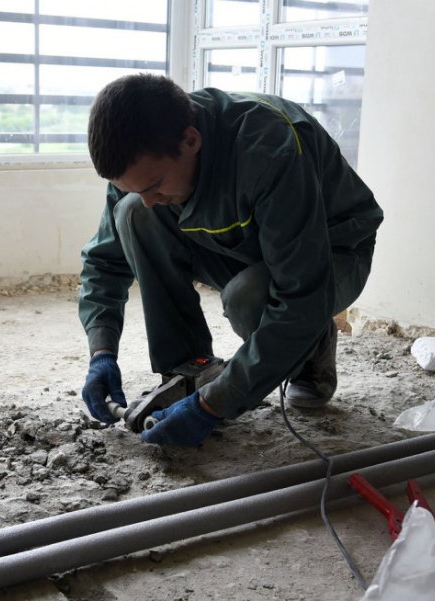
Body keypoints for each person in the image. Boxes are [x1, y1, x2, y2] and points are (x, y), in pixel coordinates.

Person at [78, 74, 383, 447]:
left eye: (154, 186)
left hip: (332, 251)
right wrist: (102, 352)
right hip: (244, 245)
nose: (149, 197)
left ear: (191, 140)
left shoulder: (269, 149)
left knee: (249, 297)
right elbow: (105, 262)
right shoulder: (142, 156)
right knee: (133, 214)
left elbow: (299, 295)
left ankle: (311, 351)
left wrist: (214, 404)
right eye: (133, 187)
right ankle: (189, 373)